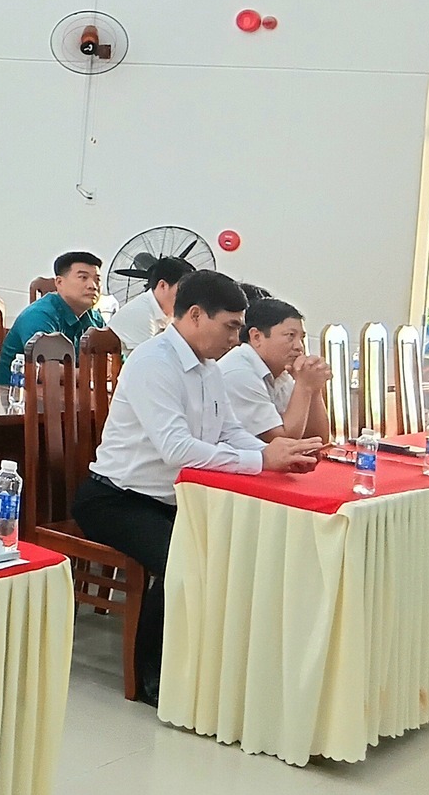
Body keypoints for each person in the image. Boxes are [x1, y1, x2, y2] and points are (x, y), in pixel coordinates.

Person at [72, 270, 324, 704]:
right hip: (116, 499)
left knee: (237, 549)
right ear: (194, 315)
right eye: (230, 326)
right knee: (184, 558)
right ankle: (152, 678)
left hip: (173, 499)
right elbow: (177, 449)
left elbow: (228, 430)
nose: (236, 338)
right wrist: (262, 460)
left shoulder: (208, 368)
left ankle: (210, 666)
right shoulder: (154, 362)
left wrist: (275, 452)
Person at [218, 297, 331, 442]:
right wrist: (304, 386)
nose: (299, 347)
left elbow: (318, 439)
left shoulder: (282, 373)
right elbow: (283, 441)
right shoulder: (238, 373)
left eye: (301, 338)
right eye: (290, 336)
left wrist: (314, 389)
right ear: (256, 337)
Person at [0, 251, 105, 376]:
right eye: (83, 278)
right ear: (59, 282)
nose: (93, 286)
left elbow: (114, 360)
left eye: (97, 280)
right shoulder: (39, 315)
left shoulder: (95, 318)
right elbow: (45, 370)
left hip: (71, 387)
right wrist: (94, 375)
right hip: (18, 387)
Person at [107, 256, 195, 353]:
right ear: (162, 286)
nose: (188, 298)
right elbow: (151, 359)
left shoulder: (168, 315)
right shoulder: (141, 313)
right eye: (183, 291)